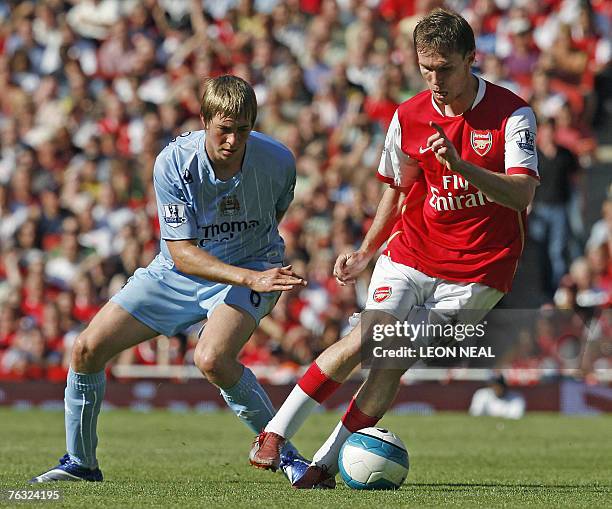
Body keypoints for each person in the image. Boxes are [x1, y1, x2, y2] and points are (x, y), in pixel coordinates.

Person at [249, 9, 539, 488]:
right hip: (411, 253)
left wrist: (461, 166)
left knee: (390, 358)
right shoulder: (409, 115)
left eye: (445, 68)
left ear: (472, 58)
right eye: (426, 68)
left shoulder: (512, 115)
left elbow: (521, 194)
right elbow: (397, 189)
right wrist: (367, 250)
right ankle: (275, 433)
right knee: (369, 338)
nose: (435, 79)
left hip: (476, 274)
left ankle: (323, 463)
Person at [30, 75, 308, 483]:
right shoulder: (173, 162)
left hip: (254, 265)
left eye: (243, 130)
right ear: (204, 120)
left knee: (211, 358)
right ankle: (81, 463)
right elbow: (182, 252)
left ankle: (286, 457)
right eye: (224, 130)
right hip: (181, 271)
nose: (233, 140)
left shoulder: (278, 160)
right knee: (87, 348)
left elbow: (274, 215)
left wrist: (252, 273)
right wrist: (249, 277)